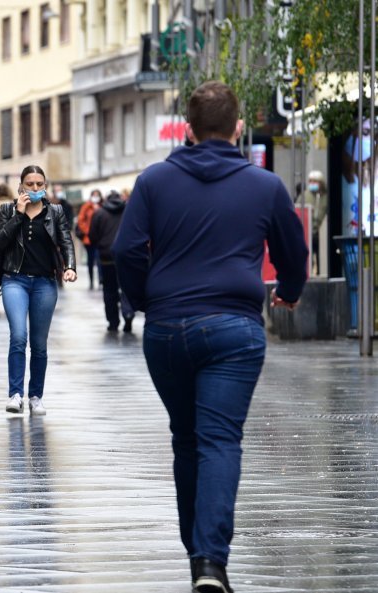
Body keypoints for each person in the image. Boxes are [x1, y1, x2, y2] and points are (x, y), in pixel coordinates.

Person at [113, 81, 308, 593]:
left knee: (186, 437)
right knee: (220, 440)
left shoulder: (154, 181)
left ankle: (197, 555)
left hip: (168, 330)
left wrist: (146, 301)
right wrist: (288, 290)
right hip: (234, 329)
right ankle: (210, 562)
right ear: (238, 127)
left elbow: (128, 250)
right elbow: (293, 252)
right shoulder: (263, 185)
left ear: (188, 128)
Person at [0, 165, 77, 416]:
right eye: (30, 184)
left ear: (45, 185)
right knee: (18, 336)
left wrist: (69, 267)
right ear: (21, 186)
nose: (35, 189)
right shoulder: (7, 209)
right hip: (14, 280)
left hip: (44, 283)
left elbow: (66, 240)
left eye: (40, 184)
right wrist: (18, 214)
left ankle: (36, 396)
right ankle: (15, 394)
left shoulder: (55, 211)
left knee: (39, 344)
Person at [88, 189, 134, 333]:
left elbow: (92, 235)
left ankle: (113, 322)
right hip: (126, 256)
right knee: (127, 288)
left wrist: (100, 246)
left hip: (106, 257)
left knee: (109, 291)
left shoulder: (99, 213)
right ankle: (128, 315)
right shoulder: (129, 211)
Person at [300, 170, 328, 274]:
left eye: (315, 181)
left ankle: (320, 273)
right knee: (308, 256)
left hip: (321, 233)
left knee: (321, 255)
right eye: (310, 181)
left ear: (321, 183)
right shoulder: (305, 195)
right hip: (307, 231)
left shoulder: (326, 196)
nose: (312, 184)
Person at [76, 189, 103, 289]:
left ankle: (100, 280)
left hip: (100, 238)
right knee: (90, 260)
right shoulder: (86, 206)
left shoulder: (102, 206)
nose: (96, 197)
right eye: (94, 195)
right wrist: (87, 231)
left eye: (97, 195)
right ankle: (91, 280)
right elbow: (81, 220)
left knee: (99, 259)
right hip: (89, 239)